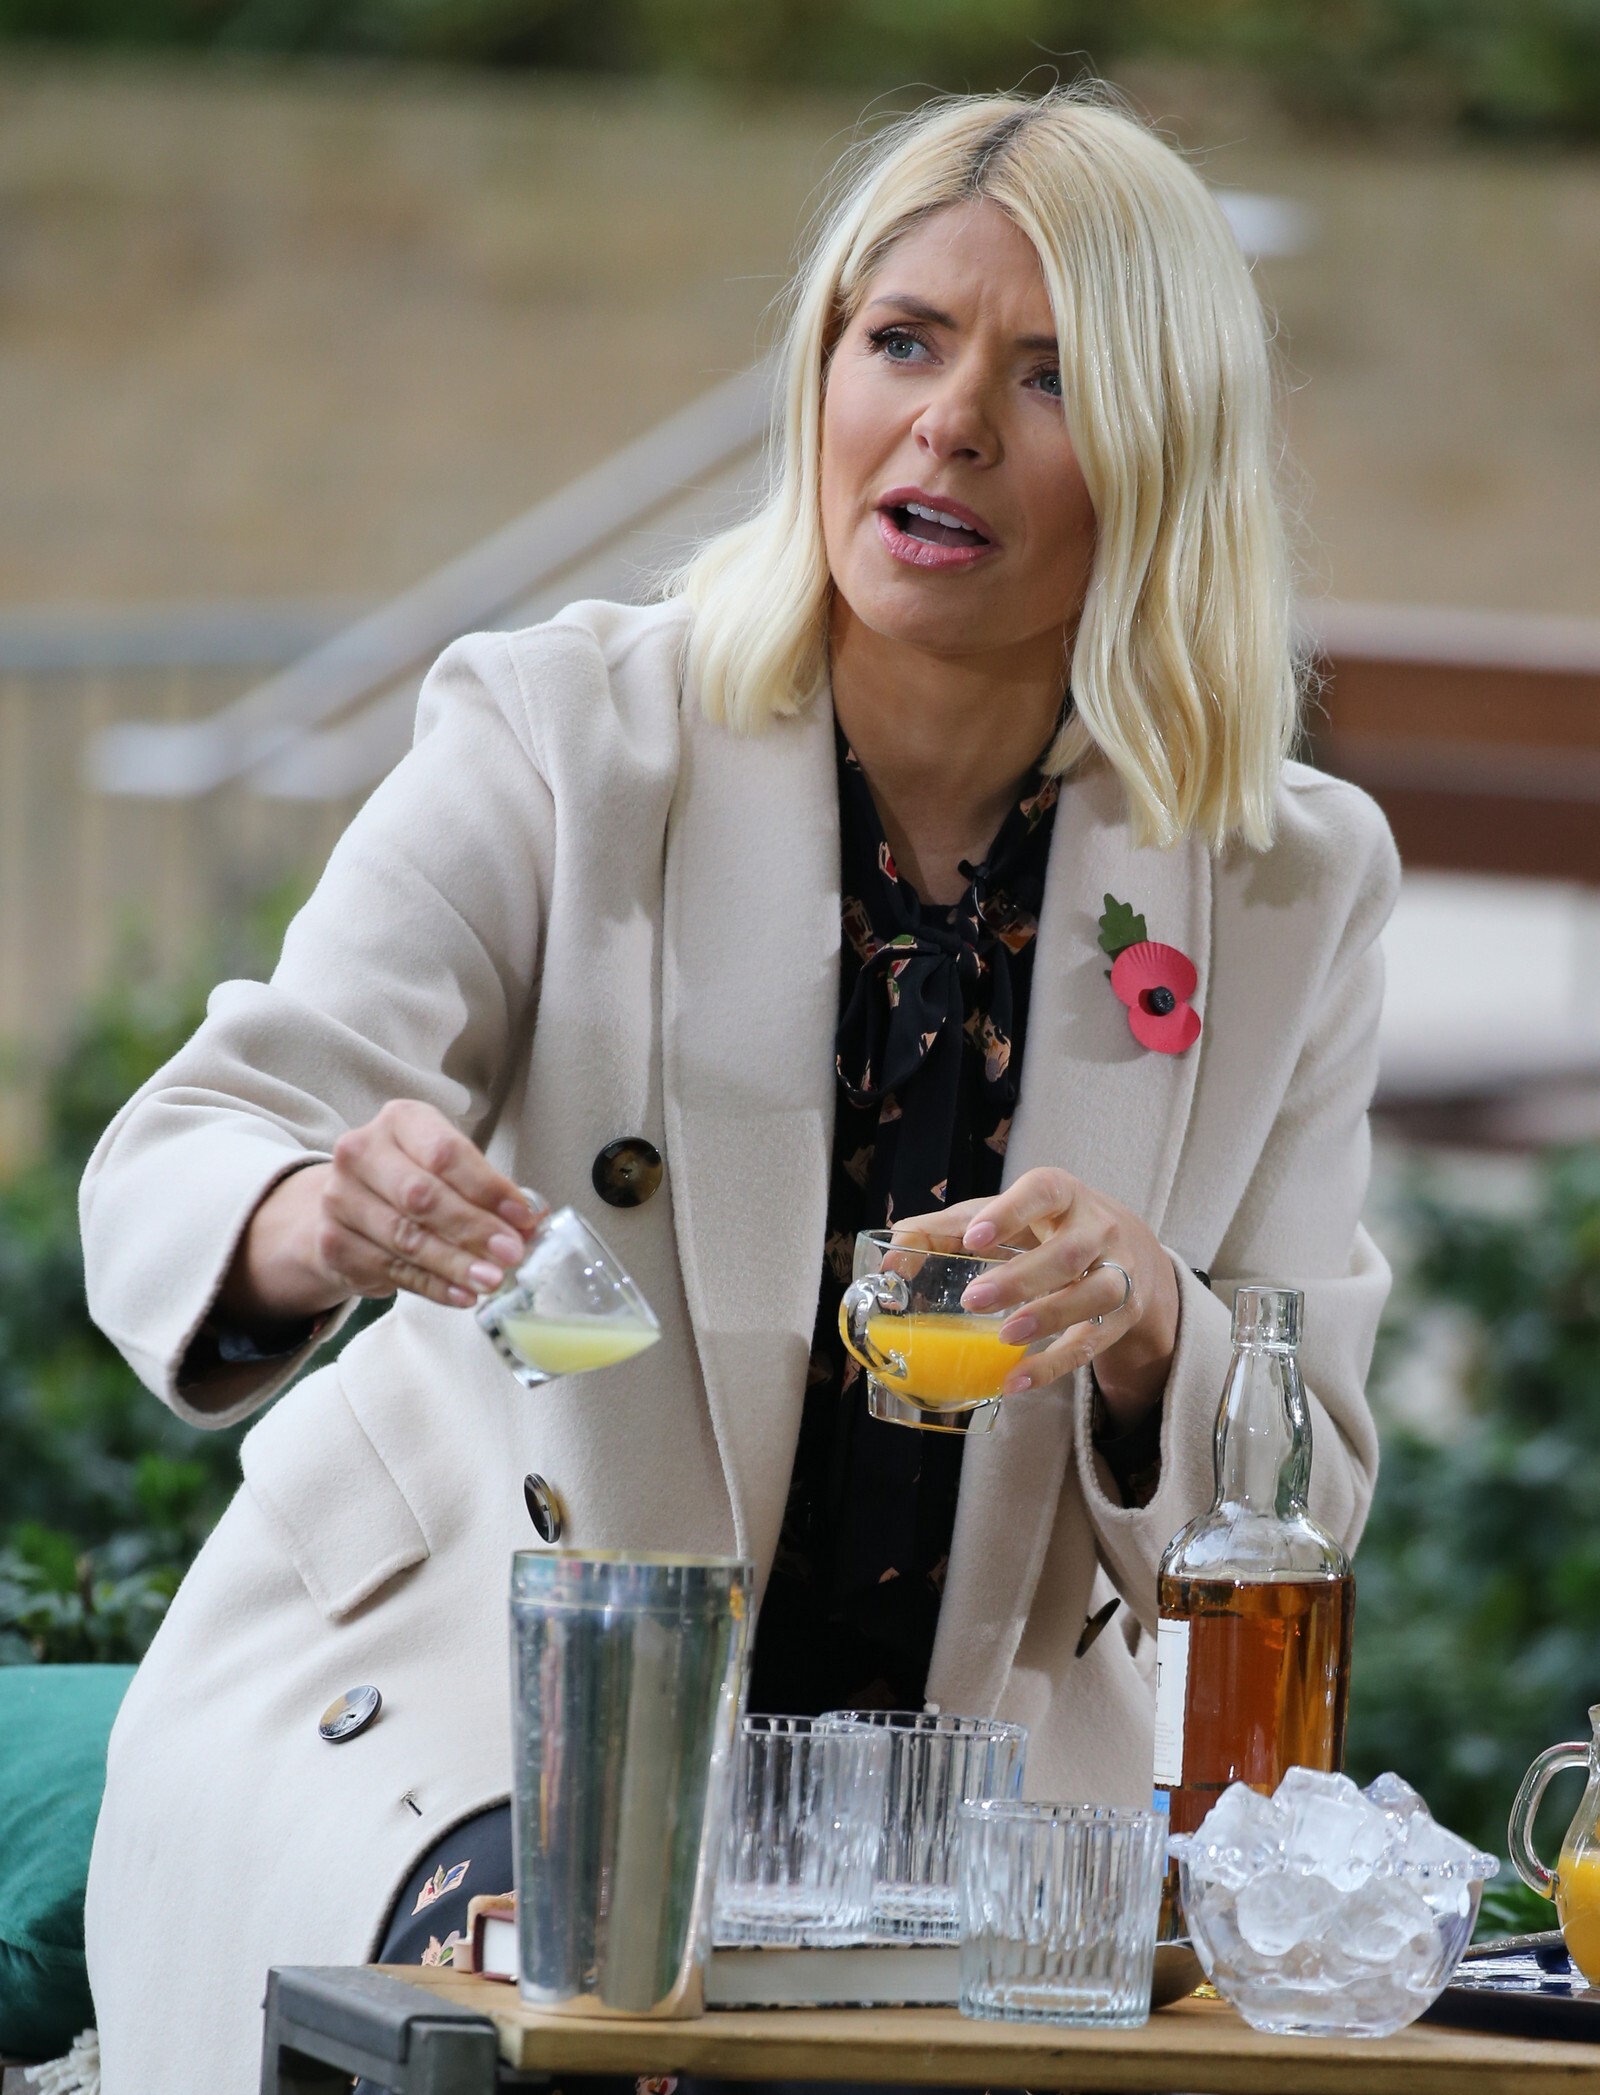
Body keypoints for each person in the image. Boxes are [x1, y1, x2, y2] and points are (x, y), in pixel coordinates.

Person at [80, 86, 1393, 2094]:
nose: (948, 424)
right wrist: (317, 1213)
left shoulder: (1290, 880)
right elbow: (187, 1151)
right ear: (821, 373)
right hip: (463, 1729)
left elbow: (1309, 1494)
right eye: (902, 340)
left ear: (1167, 452)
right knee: (623, 2030)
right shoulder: (562, 734)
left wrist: (1151, 1331)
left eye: (1048, 378)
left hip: (965, 1827)